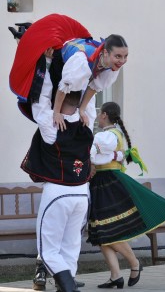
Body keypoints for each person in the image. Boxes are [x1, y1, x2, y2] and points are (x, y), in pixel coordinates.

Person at [88, 102, 165, 288]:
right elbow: (108, 156)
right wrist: (116, 156)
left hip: (108, 183)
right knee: (101, 232)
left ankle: (135, 263)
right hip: (101, 182)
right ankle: (115, 275)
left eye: (99, 114)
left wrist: (107, 156)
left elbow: (90, 154)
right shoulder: (113, 135)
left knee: (110, 230)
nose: (98, 118)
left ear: (104, 115)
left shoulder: (106, 136)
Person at [21, 90, 95, 292]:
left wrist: (46, 66)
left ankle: (70, 288)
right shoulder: (87, 120)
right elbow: (92, 92)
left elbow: (39, 100)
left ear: (58, 101)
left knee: (49, 251)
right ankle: (66, 286)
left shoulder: (50, 124)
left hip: (58, 193)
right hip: (81, 194)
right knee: (71, 246)